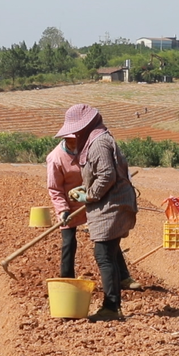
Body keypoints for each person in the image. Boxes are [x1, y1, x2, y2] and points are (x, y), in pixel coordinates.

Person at [54, 104, 138, 321]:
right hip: (111, 203)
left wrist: (89, 195)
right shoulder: (97, 140)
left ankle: (111, 307)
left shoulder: (98, 143)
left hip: (112, 206)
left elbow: (107, 175)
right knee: (107, 254)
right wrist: (86, 189)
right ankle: (113, 304)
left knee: (103, 255)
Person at [46, 133, 89, 279]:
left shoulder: (87, 149)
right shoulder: (55, 158)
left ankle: (123, 277)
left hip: (91, 201)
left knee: (106, 238)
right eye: (70, 141)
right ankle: (67, 279)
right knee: (69, 242)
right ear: (65, 139)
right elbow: (55, 189)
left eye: (76, 140)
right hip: (69, 206)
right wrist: (63, 210)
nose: (74, 144)